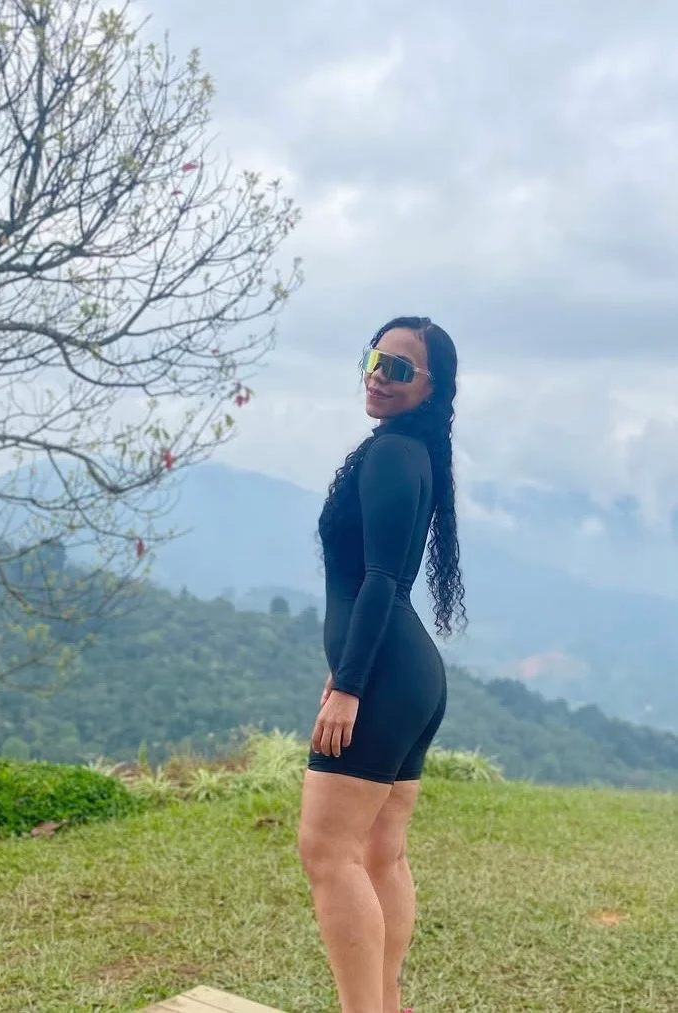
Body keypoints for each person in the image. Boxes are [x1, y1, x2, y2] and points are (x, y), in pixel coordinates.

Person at [296, 316, 466, 1013]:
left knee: (326, 852)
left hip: (384, 678)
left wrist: (351, 683)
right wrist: (345, 669)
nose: (377, 375)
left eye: (397, 368)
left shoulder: (395, 452)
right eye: (373, 359)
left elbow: (380, 581)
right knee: (379, 852)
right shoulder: (409, 450)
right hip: (404, 677)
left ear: (430, 388)